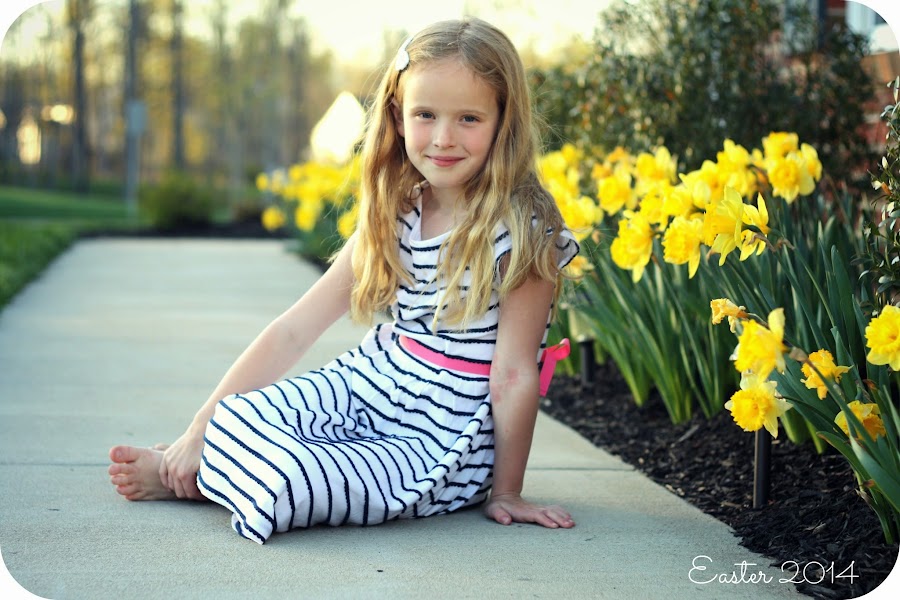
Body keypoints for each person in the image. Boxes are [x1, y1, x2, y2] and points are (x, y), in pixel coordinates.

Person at [108, 17, 579, 544]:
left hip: (440, 440)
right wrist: (198, 427)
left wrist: (507, 492)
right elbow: (293, 331)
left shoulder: (523, 230)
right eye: (426, 115)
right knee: (241, 412)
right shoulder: (395, 211)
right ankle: (202, 455)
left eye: (469, 118)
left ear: (503, 121)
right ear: (399, 118)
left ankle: (199, 476)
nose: (444, 138)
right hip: (372, 384)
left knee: (296, 481)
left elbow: (514, 374)